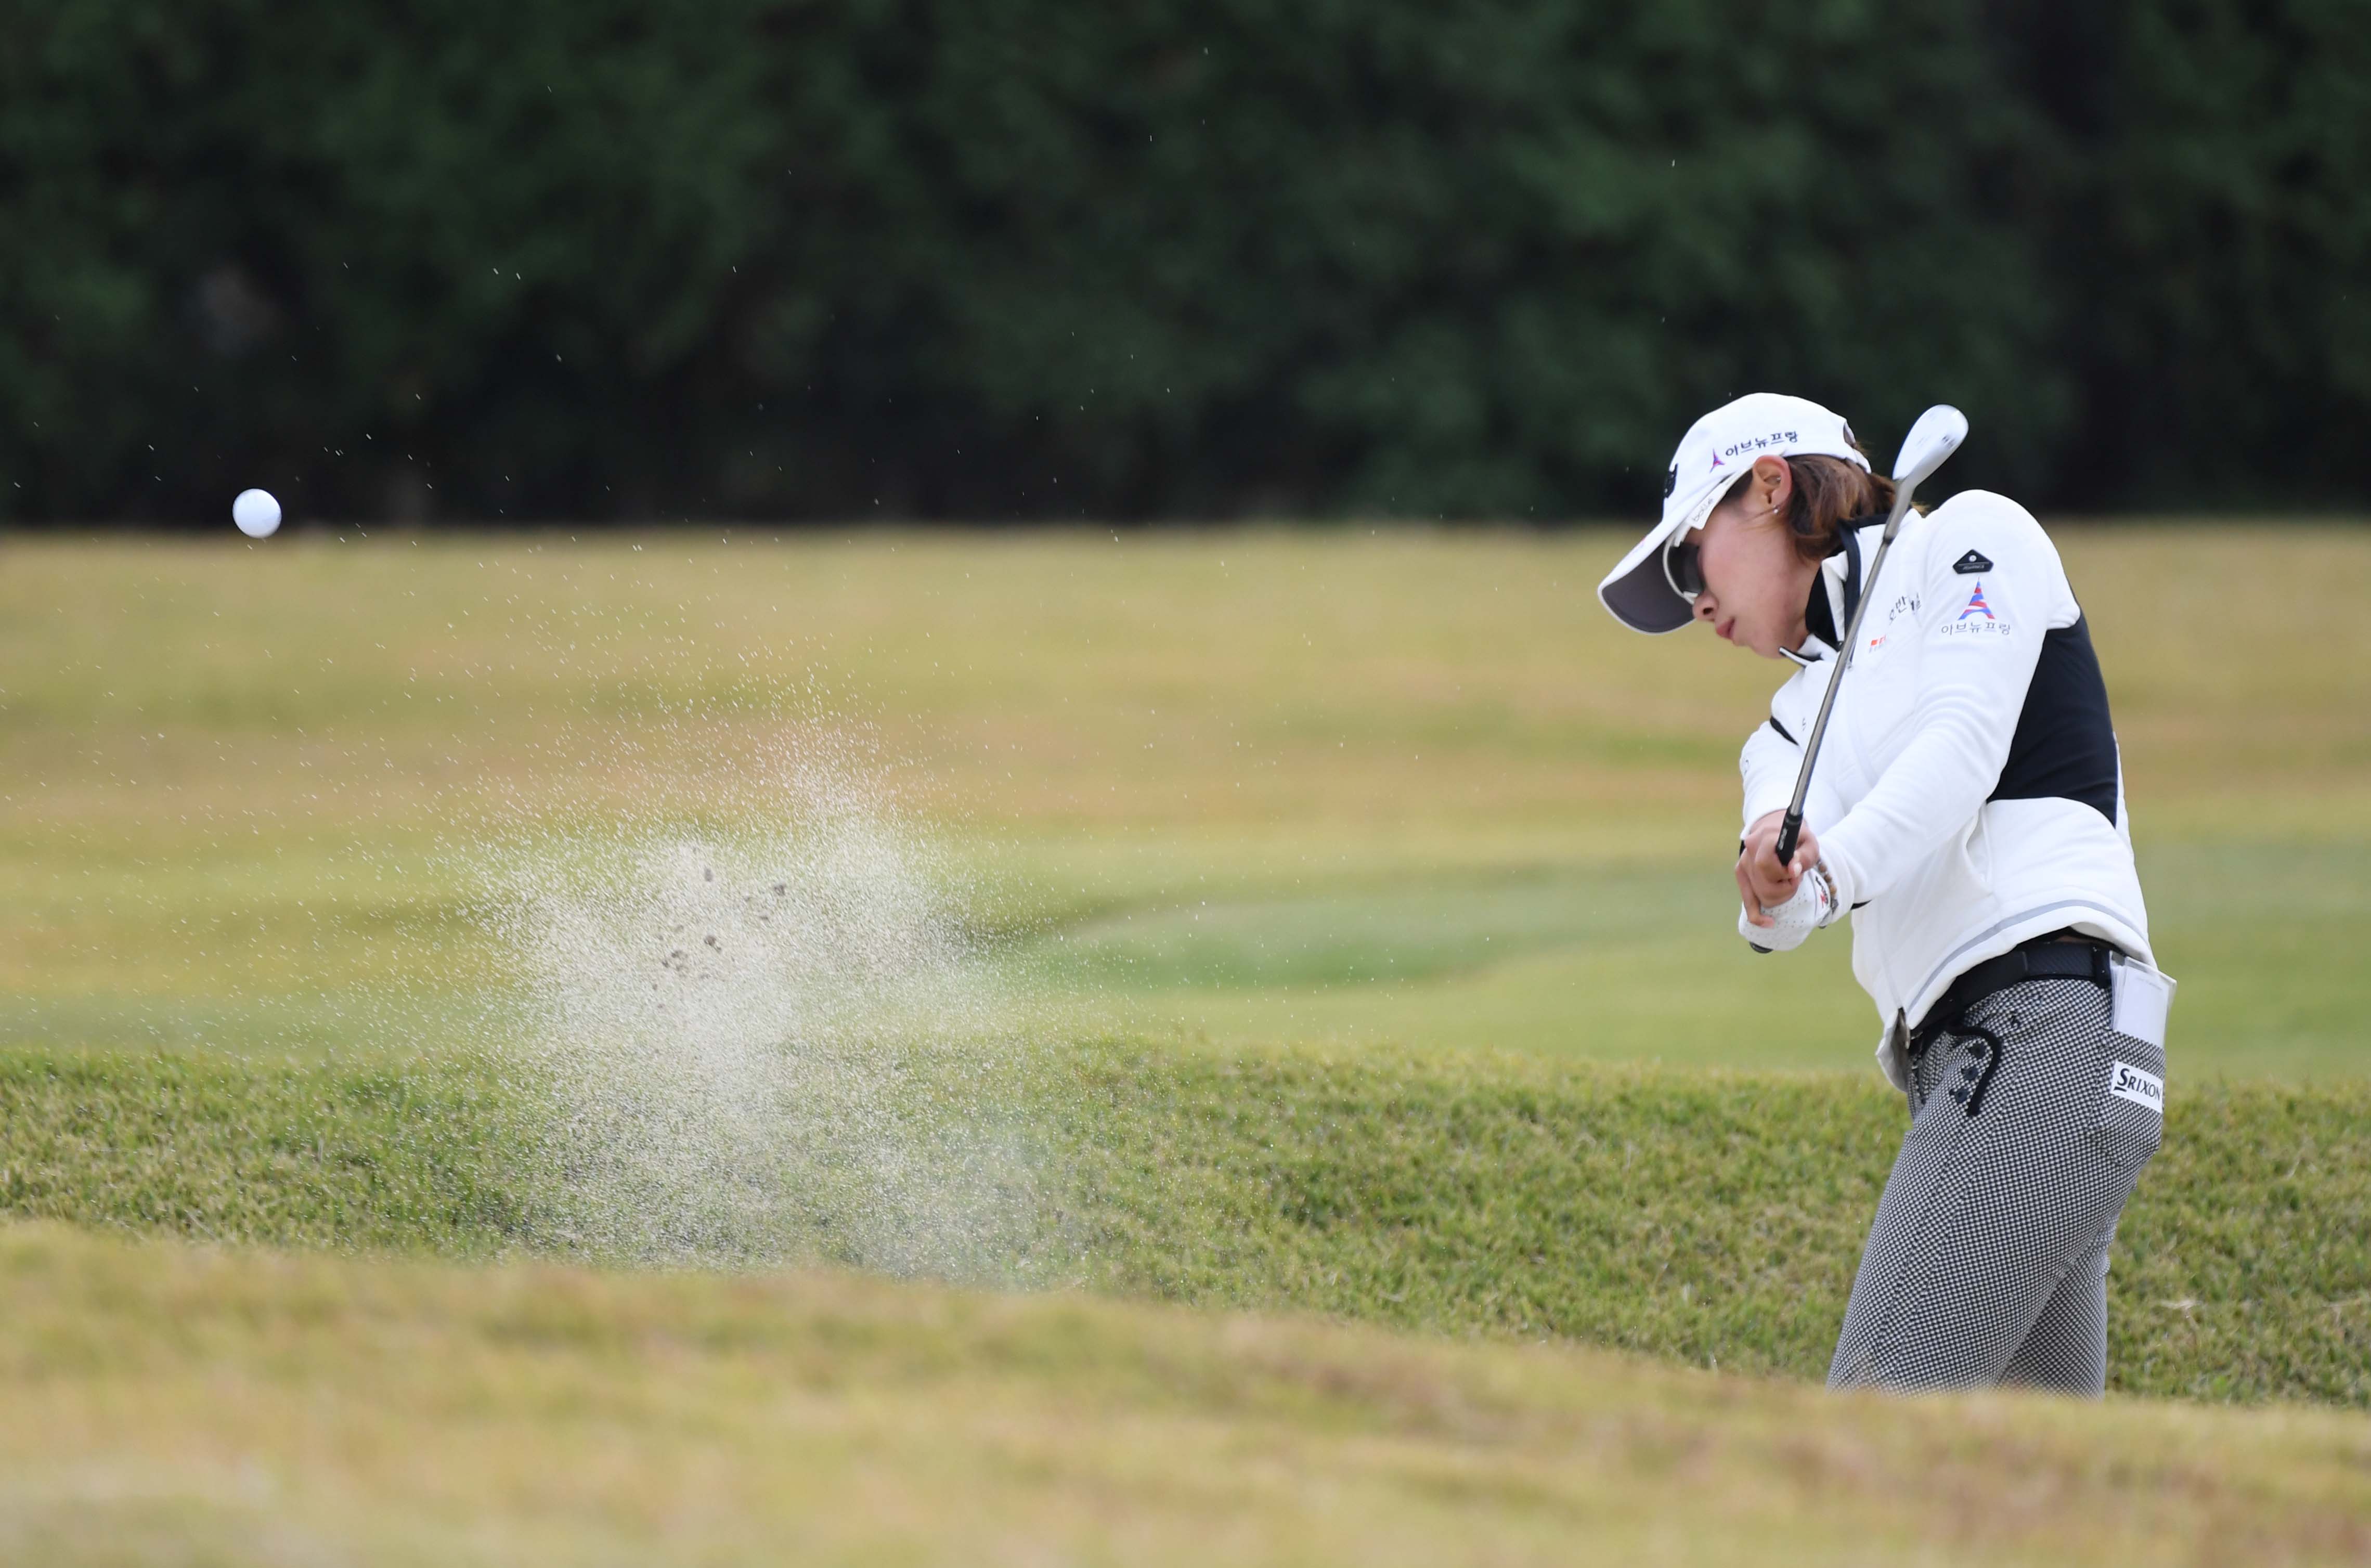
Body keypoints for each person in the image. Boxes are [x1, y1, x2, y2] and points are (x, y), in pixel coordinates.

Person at [1595, 392, 2175, 1395]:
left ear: (1770, 488)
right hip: (2005, 1065)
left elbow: (1960, 750)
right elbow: (1778, 903)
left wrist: (1827, 867)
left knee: (1869, 1437)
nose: (1693, 603)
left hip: (2044, 1035)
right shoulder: (1785, 725)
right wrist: (1775, 887)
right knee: (2038, 1511)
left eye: (1690, 561)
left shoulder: (1970, 541)